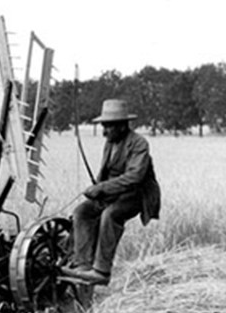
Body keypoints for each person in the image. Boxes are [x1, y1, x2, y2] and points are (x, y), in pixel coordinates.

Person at [60, 99, 161, 286]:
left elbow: (134, 177)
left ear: (122, 126)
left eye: (108, 127)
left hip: (136, 195)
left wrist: (101, 188)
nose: (104, 132)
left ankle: (101, 271)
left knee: (110, 214)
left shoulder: (139, 144)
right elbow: (105, 172)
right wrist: (96, 190)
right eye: (103, 127)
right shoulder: (110, 143)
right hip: (113, 194)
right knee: (81, 212)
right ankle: (82, 264)